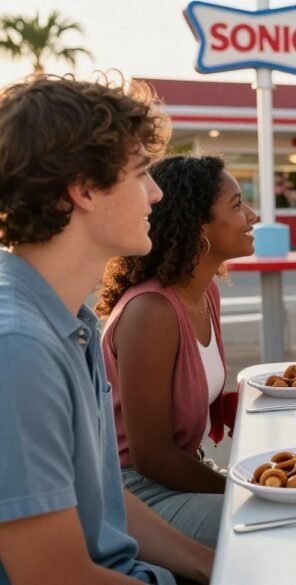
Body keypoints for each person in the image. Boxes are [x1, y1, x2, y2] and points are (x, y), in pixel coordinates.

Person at [0, 75, 213, 584]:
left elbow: (101, 496)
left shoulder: (70, 317)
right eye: (141, 173)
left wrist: (217, 569)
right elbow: (54, 577)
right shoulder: (20, 347)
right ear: (85, 189)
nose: (156, 194)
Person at [95, 154, 256, 550]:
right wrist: (245, 488)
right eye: (236, 206)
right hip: (139, 496)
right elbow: (151, 456)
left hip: (182, 473)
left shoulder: (204, 292)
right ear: (197, 227)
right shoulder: (151, 312)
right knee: (284, 520)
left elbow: (193, 386)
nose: (252, 215)